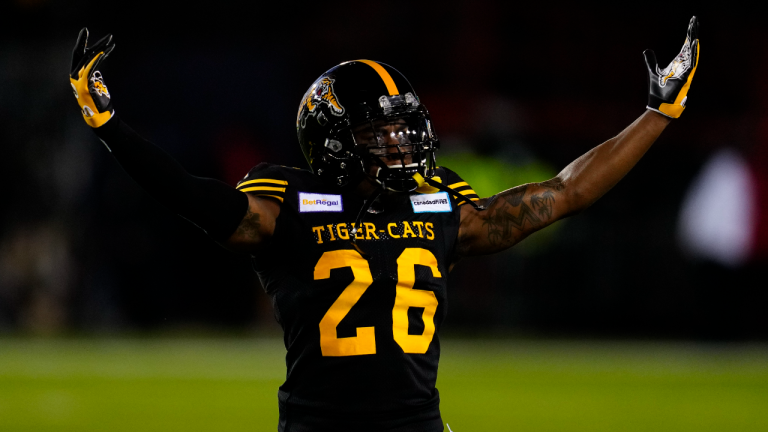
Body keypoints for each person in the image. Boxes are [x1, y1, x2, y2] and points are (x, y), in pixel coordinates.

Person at [69, 16, 700, 432]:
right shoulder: (290, 202)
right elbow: (195, 199)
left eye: (405, 126)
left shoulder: (438, 202)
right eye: (380, 130)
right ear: (334, 139)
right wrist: (110, 128)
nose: (401, 142)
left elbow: (563, 194)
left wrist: (658, 114)